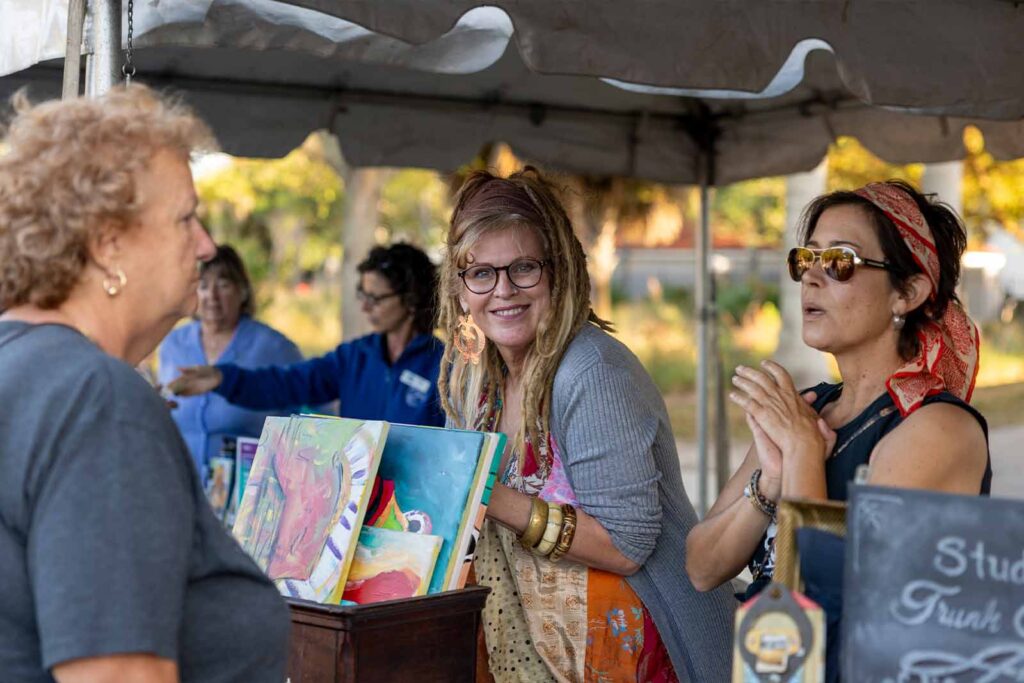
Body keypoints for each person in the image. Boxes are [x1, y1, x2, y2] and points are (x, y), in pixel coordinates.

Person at [0, 86, 288, 682]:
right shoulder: (94, 399)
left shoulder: (22, 365)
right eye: (186, 218)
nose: (206, 245)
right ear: (109, 245)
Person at [439, 168, 734, 682]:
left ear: (561, 271)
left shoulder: (592, 371)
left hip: (644, 649)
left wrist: (481, 491)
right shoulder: (473, 378)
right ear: (460, 289)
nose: (503, 290)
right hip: (542, 651)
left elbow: (626, 546)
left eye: (524, 268)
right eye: (481, 273)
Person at [686, 181, 990, 673]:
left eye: (841, 261)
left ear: (908, 292)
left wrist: (804, 457)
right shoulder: (810, 410)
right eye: (807, 259)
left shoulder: (935, 429)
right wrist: (770, 483)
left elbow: (832, 609)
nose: (811, 277)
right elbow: (701, 567)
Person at [169, 243, 446, 427]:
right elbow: (287, 384)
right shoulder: (354, 357)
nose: (364, 306)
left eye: (375, 298)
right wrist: (224, 378)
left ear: (410, 300)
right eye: (362, 295)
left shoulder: (442, 366)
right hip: (361, 500)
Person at [158, 244, 304, 479]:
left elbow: (306, 425)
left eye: (223, 285)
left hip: (251, 493)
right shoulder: (172, 344)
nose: (211, 296)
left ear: (243, 290)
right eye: (202, 286)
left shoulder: (275, 348)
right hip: (180, 488)